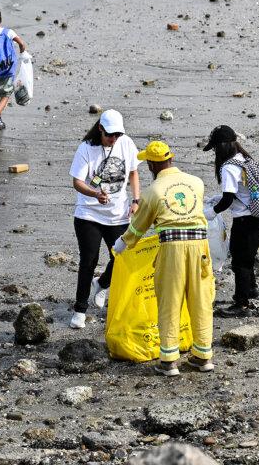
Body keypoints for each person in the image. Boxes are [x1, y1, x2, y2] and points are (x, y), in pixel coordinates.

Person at [113, 141, 214, 376]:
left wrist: (121, 244)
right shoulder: (196, 183)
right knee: (201, 299)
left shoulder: (152, 193)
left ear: (150, 164)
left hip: (172, 249)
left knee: (170, 301)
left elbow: (139, 227)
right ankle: (203, 356)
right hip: (200, 247)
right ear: (172, 158)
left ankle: (169, 361)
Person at [68, 110, 140, 329]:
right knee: (88, 261)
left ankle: (101, 284)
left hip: (118, 214)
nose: (113, 139)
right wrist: (95, 194)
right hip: (88, 213)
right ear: (100, 129)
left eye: (117, 135)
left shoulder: (126, 143)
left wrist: (136, 200)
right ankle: (80, 309)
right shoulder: (86, 148)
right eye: (110, 135)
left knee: (122, 257)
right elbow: (77, 182)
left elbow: (134, 173)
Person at [202, 127, 259, 315]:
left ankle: (242, 304)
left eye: (215, 148)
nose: (215, 153)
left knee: (240, 260)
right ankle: (252, 289)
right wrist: (217, 198)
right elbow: (240, 192)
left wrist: (210, 213)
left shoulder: (228, 167)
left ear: (222, 147)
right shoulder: (244, 159)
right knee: (248, 254)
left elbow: (228, 200)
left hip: (246, 219)